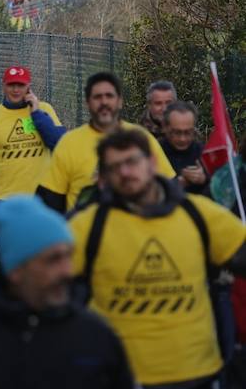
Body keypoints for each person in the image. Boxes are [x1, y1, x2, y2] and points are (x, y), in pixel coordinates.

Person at [69, 129, 246, 388]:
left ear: (152, 162)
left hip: (196, 374)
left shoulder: (199, 215)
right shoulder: (86, 226)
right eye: (114, 166)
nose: (125, 172)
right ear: (104, 176)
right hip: (118, 375)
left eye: (132, 161)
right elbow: (34, 288)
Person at [0, 195, 135, 389]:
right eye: (53, 260)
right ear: (16, 270)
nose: (67, 271)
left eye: (68, 256)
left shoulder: (96, 336)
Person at [37, 72, 176, 213]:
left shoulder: (141, 138)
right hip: (84, 232)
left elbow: (169, 188)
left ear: (120, 101)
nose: (104, 102)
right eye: (97, 97)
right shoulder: (68, 144)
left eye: (109, 96)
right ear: (87, 103)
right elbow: (52, 200)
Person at [0, 66, 65, 208]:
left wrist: (36, 114)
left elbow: (59, 144)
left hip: (41, 199)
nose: (16, 90)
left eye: (20, 85)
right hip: (2, 199)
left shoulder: (44, 110)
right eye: (11, 85)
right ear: (3, 86)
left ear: (29, 87)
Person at [160, 101, 208, 195]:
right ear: (165, 127)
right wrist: (178, 183)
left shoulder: (204, 154)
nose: (183, 139)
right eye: (177, 132)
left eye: (188, 132)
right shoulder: (155, 152)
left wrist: (204, 179)